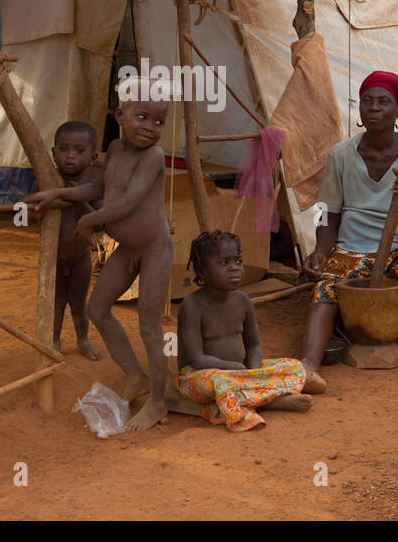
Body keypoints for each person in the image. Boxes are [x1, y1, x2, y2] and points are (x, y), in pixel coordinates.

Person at [26, 77, 174, 431]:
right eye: (142, 117)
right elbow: (100, 188)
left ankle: (158, 402)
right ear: (120, 114)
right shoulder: (116, 150)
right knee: (97, 309)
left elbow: (127, 203)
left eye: (159, 121)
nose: (150, 128)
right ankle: (135, 376)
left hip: (154, 250)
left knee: (151, 328)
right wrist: (55, 194)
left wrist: (87, 222)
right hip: (128, 249)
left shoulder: (153, 157)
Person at [298, 70, 398, 394]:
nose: (374, 108)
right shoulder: (341, 155)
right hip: (352, 247)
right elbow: (328, 212)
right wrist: (321, 252)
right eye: (367, 101)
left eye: (383, 102)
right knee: (326, 287)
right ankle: (309, 365)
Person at [168, 230, 310, 431]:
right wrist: (236, 369)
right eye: (224, 263)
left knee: (291, 365)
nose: (235, 267)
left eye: (238, 260)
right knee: (220, 382)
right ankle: (269, 401)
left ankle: (258, 393)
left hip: (241, 372)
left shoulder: (243, 302)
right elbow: (197, 359)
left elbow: (254, 344)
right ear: (203, 271)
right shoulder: (192, 306)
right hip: (198, 377)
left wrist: (252, 370)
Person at [49, 121, 102, 360]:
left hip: (81, 259)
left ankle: (82, 339)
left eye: (79, 151)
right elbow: (25, 214)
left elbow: (100, 221)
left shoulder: (93, 186)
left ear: (92, 157)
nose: (70, 156)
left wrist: (79, 201)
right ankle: (54, 341)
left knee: (79, 305)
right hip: (53, 261)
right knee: (56, 304)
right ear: (53, 152)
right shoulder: (46, 183)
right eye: (63, 148)